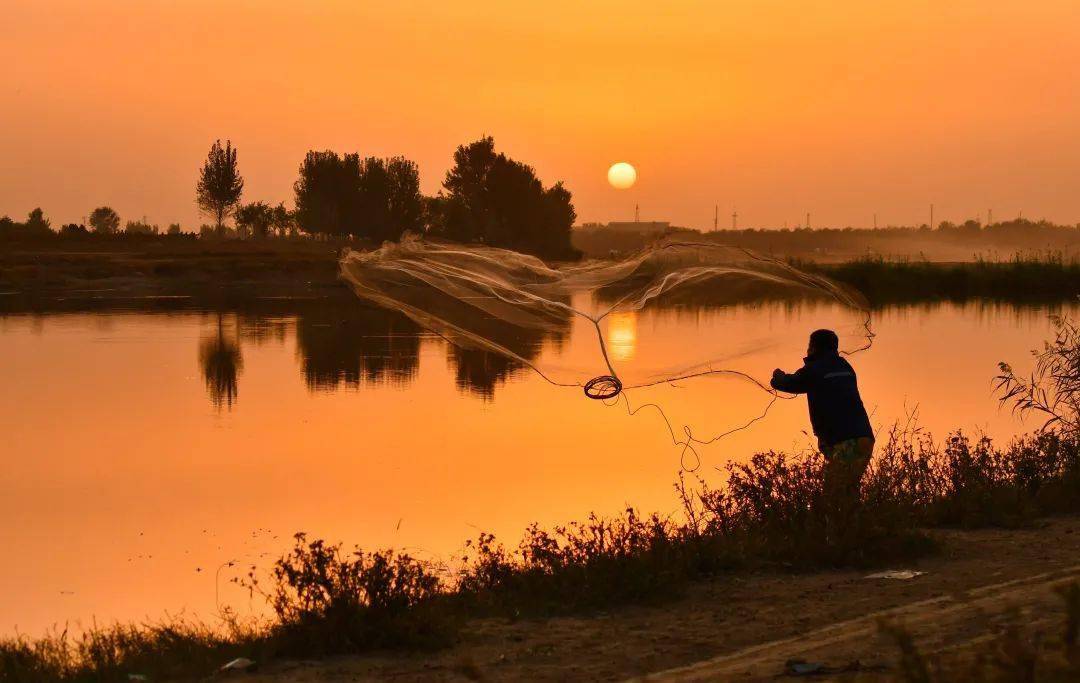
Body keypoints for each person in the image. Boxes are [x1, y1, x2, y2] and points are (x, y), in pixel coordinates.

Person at [770, 329, 874, 537]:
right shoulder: (845, 366)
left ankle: (834, 544)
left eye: (809, 345)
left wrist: (777, 376)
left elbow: (789, 383)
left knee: (831, 496)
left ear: (814, 347)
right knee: (849, 492)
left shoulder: (814, 369)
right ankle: (858, 538)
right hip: (864, 438)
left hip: (846, 442)